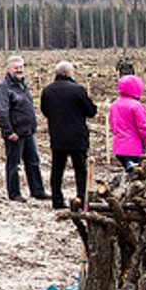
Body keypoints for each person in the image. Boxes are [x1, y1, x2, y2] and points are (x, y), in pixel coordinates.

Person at [40, 61, 98, 210]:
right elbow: (91, 111)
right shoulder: (78, 90)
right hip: (77, 136)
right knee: (80, 170)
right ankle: (82, 198)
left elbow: (45, 111)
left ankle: (57, 201)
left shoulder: (47, 91)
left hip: (57, 136)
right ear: (68, 73)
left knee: (57, 170)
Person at [0, 55, 49, 202]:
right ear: (8, 69)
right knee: (13, 164)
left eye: (21, 67)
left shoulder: (23, 85)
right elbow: (1, 111)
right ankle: (14, 193)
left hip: (28, 131)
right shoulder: (3, 87)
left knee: (33, 162)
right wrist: (8, 131)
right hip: (14, 133)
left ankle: (37, 190)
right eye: (16, 68)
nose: (19, 70)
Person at [110, 74, 146, 173]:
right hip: (134, 149)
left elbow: (113, 125)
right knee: (138, 176)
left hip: (118, 148)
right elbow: (143, 129)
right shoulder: (136, 106)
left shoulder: (114, 105)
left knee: (131, 174)